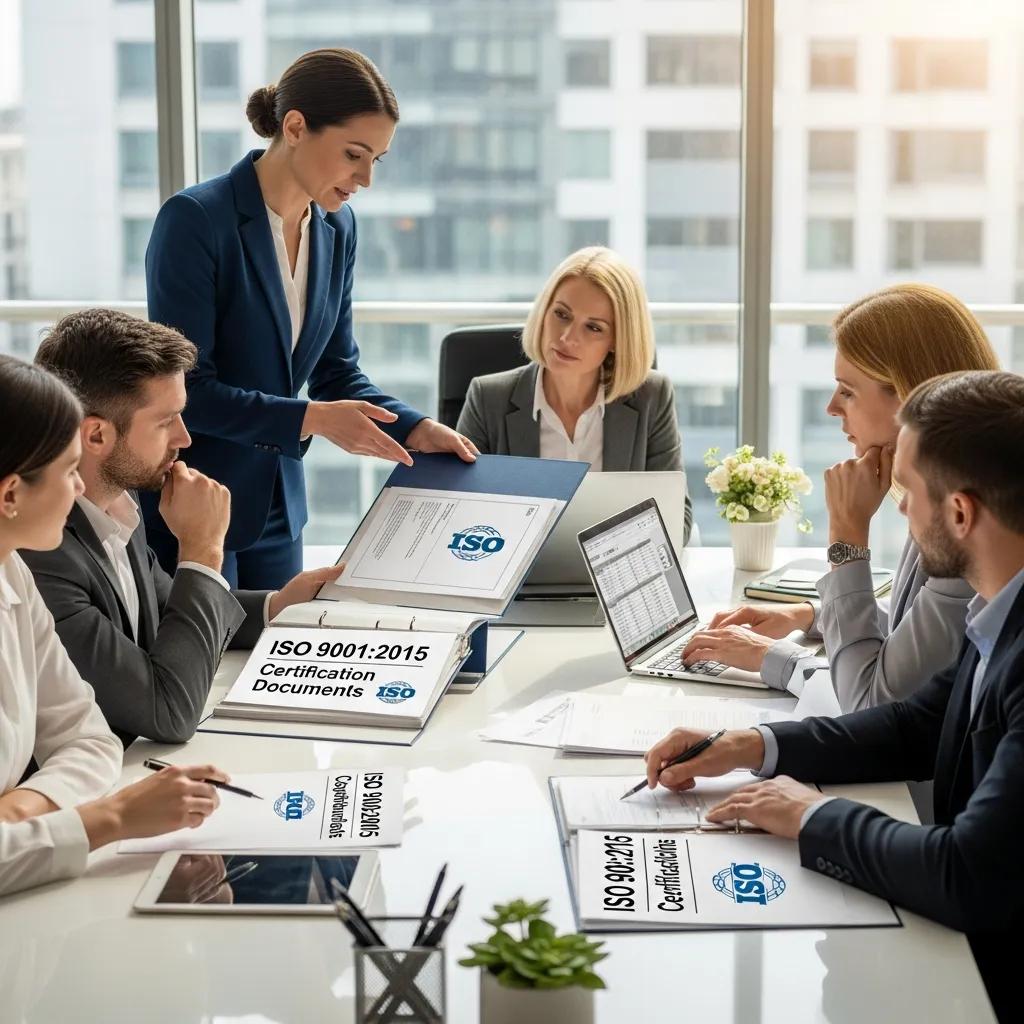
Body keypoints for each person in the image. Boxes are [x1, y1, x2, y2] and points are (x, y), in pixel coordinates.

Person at [644, 369, 1024, 1022]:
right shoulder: (997, 609)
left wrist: (808, 817)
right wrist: (751, 745)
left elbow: (969, 874)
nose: (897, 508)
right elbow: (914, 725)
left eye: (906, 492)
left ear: (960, 513)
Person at [144, 47, 477, 589]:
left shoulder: (336, 229)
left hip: (280, 505)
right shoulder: (196, 220)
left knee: (275, 662)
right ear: (295, 127)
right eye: (354, 154)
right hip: (195, 502)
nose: (365, 178)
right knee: (205, 665)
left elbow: (337, 372)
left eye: (377, 159)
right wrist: (313, 420)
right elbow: (189, 391)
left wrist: (415, 427)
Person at [21, 310, 343, 747]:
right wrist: (202, 548)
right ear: (95, 436)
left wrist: (278, 605)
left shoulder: (118, 500)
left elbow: (165, 613)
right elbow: (167, 712)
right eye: (165, 420)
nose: (185, 437)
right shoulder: (40, 555)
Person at [680, 284, 999, 708]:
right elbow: (925, 632)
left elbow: (869, 700)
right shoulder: (953, 483)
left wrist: (847, 535)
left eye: (848, 391)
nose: (832, 407)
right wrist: (810, 616)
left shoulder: (963, 519)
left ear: (908, 395)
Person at [0, 355, 227, 897]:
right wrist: (113, 817)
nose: (80, 490)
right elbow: (157, 716)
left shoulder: (11, 570)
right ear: (10, 495)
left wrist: (20, 814)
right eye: (67, 471)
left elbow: (88, 736)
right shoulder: (33, 564)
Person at [457, 246, 693, 543]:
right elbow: (461, 515)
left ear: (617, 341)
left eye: (593, 327)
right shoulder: (488, 398)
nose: (567, 338)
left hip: (614, 580)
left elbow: (676, 522)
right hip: (517, 584)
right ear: (544, 312)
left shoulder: (651, 398)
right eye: (561, 314)